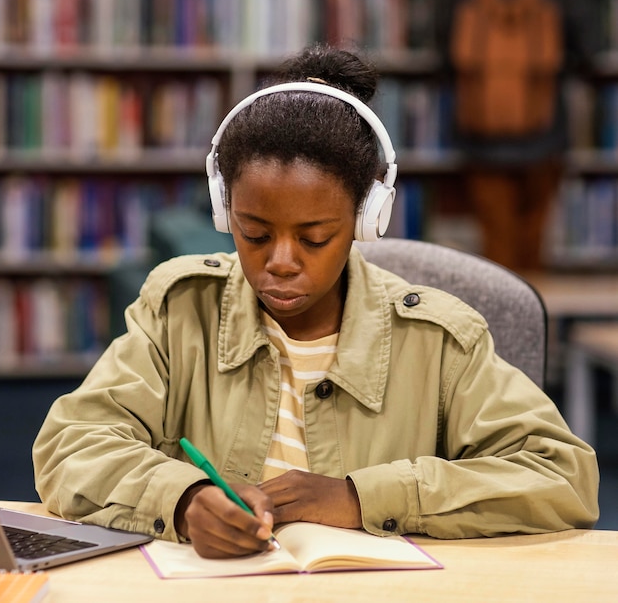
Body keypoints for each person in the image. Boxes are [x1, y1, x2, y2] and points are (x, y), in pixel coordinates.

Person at [33, 44, 599, 560]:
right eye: (254, 234)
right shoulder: (179, 309)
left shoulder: (438, 337)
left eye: (314, 238)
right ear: (222, 210)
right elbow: (70, 444)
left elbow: (562, 477)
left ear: (366, 220)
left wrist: (359, 497)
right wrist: (184, 498)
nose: (280, 260)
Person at [441, 0, 599, 272]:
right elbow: (589, 50)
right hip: (546, 132)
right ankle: (535, 307)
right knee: (533, 241)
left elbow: (445, 58)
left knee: (495, 241)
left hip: (480, 137)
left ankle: (498, 310)